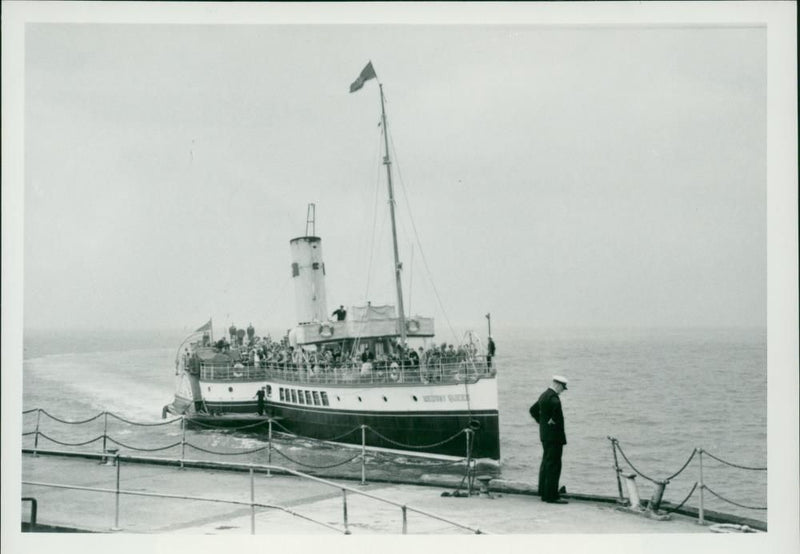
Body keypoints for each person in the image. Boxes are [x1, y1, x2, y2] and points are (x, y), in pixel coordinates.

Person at [529, 375, 569, 504]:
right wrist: (551, 422)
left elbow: (533, 410)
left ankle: (543, 492)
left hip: (545, 436)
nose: (562, 390)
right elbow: (556, 410)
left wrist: (542, 423)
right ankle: (551, 496)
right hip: (554, 438)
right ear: (557, 385)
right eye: (562, 388)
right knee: (554, 465)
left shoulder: (543, 395)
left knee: (546, 463)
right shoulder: (554, 399)